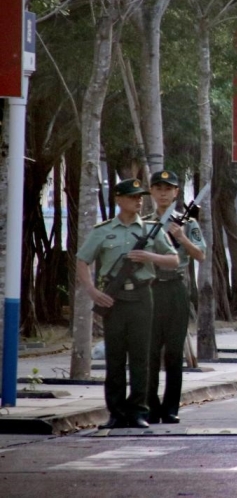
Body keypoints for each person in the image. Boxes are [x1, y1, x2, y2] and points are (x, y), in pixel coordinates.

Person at [76, 178, 179, 429]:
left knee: (141, 356)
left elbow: (173, 260)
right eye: (132, 197)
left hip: (142, 297)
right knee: (115, 357)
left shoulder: (151, 229)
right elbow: (82, 260)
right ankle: (116, 412)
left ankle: (138, 411)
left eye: (140, 197)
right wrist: (92, 291)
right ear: (119, 199)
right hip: (114, 299)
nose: (138, 201)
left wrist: (149, 256)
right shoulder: (103, 231)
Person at [145, 170, 207, 425]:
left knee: (173, 351)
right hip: (150, 288)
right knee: (149, 351)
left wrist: (181, 237)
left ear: (176, 192)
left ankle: (171, 408)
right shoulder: (144, 223)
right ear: (151, 191)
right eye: (158, 188)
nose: (163, 193)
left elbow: (200, 254)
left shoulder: (187, 223)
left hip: (176, 288)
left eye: (168, 189)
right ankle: (150, 406)